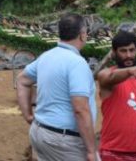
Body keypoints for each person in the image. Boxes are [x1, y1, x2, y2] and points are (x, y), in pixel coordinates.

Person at [16, 13, 97, 161]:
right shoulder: (77, 63)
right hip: (64, 141)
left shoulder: (47, 56)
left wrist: (27, 114)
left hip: (40, 132)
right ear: (82, 35)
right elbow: (80, 109)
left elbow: (21, 80)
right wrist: (91, 150)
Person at [97, 31, 136, 161]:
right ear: (114, 52)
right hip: (114, 152)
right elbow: (108, 77)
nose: (128, 55)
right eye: (123, 51)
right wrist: (130, 71)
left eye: (132, 50)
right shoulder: (106, 75)